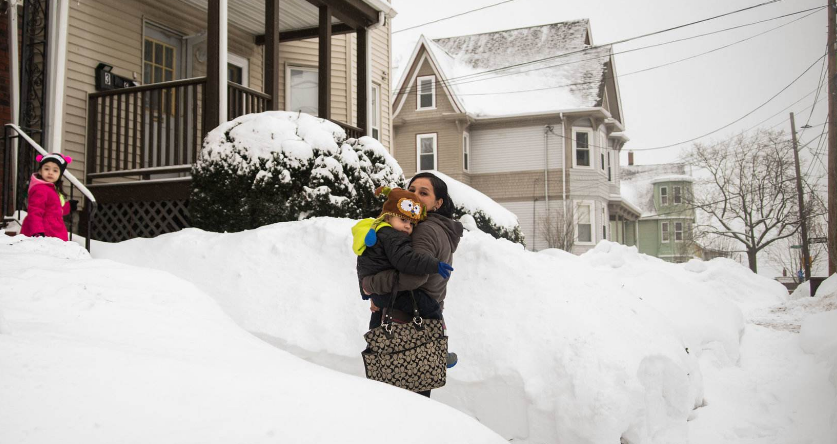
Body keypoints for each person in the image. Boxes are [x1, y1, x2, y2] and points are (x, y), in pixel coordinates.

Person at [361, 172, 464, 398]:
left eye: (423, 193)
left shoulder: (424, 230)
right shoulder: (440, 229)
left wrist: (371, 286)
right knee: (416, 398)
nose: (414, 195)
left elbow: (414, 277)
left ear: (438, 203)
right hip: (421, 325)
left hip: (402, 324)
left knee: (395, 400)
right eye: (412, 189)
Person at [352, 186, 453, 325]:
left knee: (378, 321)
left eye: (411, 223)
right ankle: (437, 338)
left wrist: (368, 292)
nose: (408, 226)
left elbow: (365, 266)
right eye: (403, 220)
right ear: (387, 218)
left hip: (380, 292)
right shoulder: (392, 237)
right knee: (429, 307)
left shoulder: (379, 232)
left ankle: (374, 345)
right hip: (387, 291)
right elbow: (406, 260)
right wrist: (432, 264)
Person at [21, 154, 74, 241]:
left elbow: (55, 210)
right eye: (46, 169)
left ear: (60, 174)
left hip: (53, 229)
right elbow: (35, 212)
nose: (50, 172)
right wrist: (37, 231)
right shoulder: (40, 189)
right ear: (40, 171)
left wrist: (68, 206)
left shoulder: (51, 189)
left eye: (55, 170)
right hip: (44, 231)